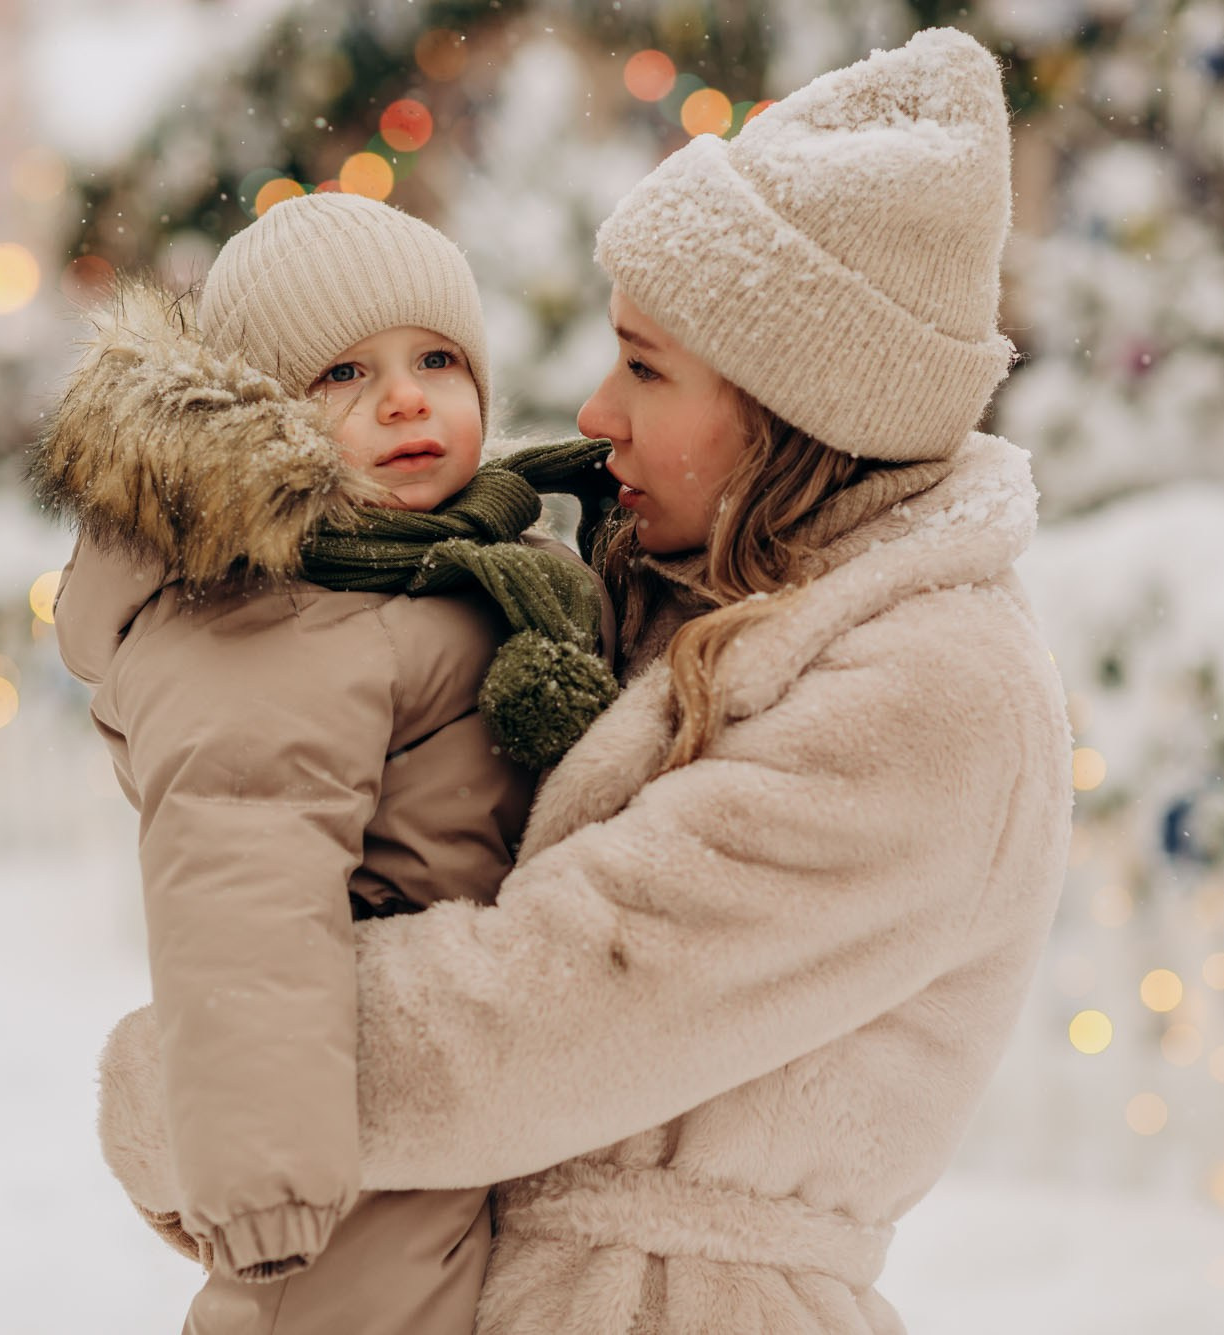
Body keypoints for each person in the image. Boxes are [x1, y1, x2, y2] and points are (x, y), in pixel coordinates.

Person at [98, 28, 1075, 1333]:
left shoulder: (935, 695)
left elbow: (549, 1009)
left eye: (647, 364)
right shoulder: (660, 590)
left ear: (790, 405)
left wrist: (191, 1081)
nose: (596, 409)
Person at [32, 192, 617, 1335]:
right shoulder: (269, 619)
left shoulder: (471, 562)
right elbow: (238, 893)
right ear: (261, 425)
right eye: (340, 377)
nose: (404, 396)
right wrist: (269, 1175)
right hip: (355, 1147)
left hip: (476, 1080)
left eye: (436, 357)